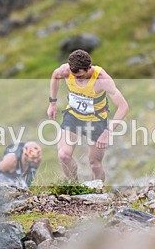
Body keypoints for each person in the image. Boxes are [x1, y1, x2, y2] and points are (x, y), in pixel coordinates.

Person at [47, 49, 129, 182]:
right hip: (73, 116)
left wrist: (107, 132)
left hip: (96, 121)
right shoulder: (66, 71)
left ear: (89, 68)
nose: (77, 79)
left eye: (80, 76)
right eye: (75, 76)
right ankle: (74, 185)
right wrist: (53, 103)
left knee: (95, 164)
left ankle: (97, 193)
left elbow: (123, 106)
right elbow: (55, 76)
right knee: (63, 155)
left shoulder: (102, 79)